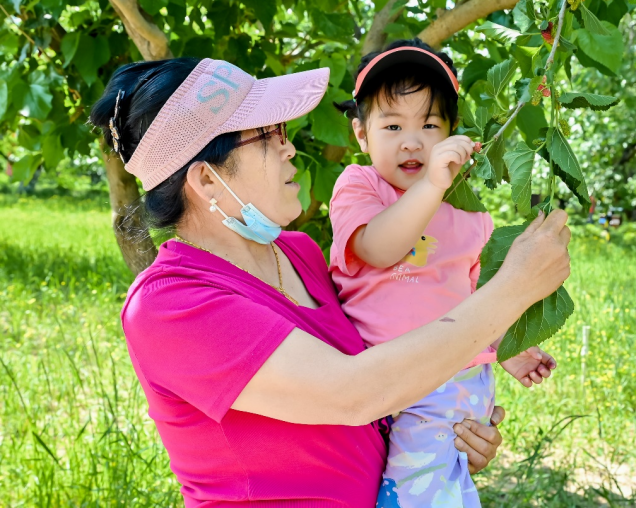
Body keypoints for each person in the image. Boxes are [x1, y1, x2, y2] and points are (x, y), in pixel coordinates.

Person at [89, 57, 571, 507]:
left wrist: (443, 437)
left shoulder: (298, 253)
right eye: (268, 134)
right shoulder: (170, 305)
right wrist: (511, 291)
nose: (290, 147)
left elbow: (384, 381)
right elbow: (354, 393)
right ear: (208, 180)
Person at [330, 39, 556, 507]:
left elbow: (477, 302)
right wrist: (433, 183)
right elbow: (377, 248)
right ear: (361, 134)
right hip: (384, 379)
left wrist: (508, 348)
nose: (412, 141)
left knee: (421, 494)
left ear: (453, 134)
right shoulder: (360, 186)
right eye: (392, 126)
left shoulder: (469, 218)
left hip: (443, 381)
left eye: (430, 125)